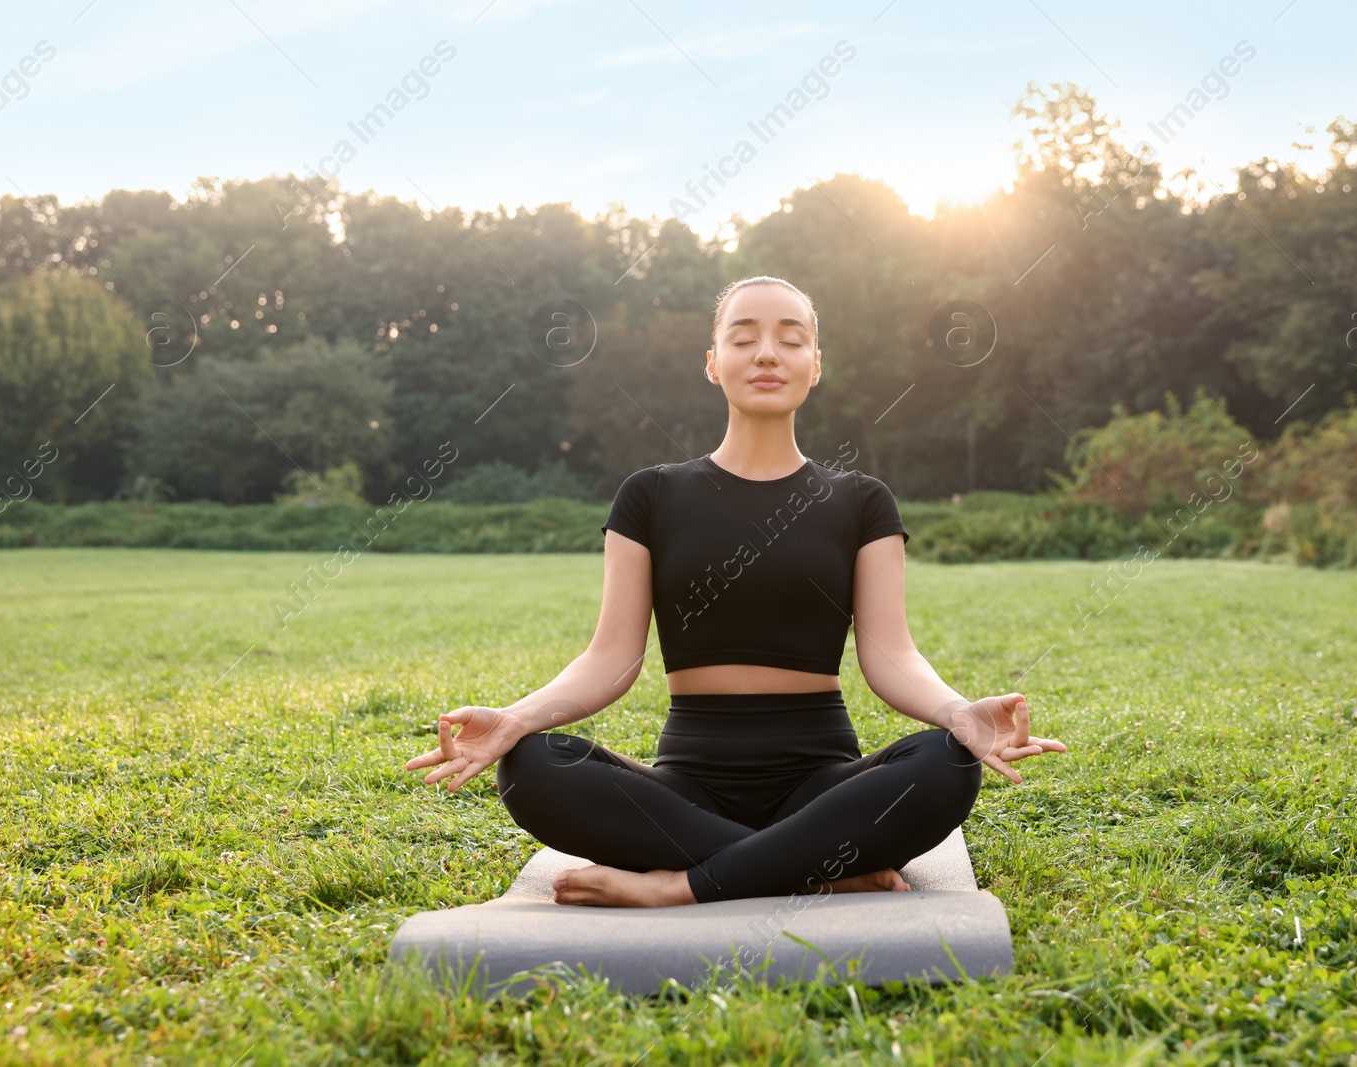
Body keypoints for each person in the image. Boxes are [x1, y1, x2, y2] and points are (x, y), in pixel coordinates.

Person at [404, 275, 1066, 907]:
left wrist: (957, 712)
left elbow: (891, 655)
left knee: (947, 763)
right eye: (743, 336)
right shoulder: (651, 495)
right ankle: (818, 873)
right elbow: (610, 658)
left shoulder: (861, 500)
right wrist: (518, 717)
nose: (767, 352)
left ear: (815, 363)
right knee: (532, 765)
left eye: (791, 336)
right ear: (714, 362)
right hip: (689, 788)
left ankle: (683, 886)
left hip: (823, 785)